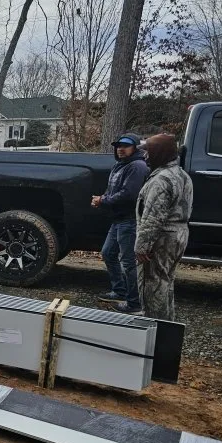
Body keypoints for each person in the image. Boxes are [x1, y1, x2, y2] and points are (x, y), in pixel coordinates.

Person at [135, 133, 193, 321]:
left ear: (159, 154)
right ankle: (167, 324)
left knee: (152, 285)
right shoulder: (182, 175)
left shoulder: (161, 179)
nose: (145, 157)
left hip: (161, 238)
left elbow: (153, 216)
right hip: (179, 235)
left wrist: (142, 246)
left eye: (148, 152)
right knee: (165, 282)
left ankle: (154, 325)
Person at [92, 133, 149, 314]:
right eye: (118, 145)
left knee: (128, 262)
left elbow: (129, 194)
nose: (120, 149)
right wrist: (102, 198)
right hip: (118, 220)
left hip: (130, 220)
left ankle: (134, 304)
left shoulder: (137, 166)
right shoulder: (120, 165)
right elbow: (112, 189)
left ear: (135, 148)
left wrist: (103, 201)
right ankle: (119, 290)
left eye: (125, 146)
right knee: (108, 253)